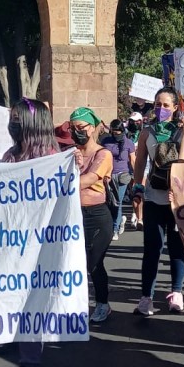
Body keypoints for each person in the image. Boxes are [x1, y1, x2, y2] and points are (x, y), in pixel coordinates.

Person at [2, 98, 60, 367]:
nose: (12, 123)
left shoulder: (53, 158)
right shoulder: (9, 156)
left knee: (30, 303)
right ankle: (19, 340)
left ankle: (29, 365)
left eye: (16, 118)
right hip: (11, 242)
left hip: (40, 245)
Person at [133, 87, 184, 315]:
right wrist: (137, 187)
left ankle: (176, 293)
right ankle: (147, 297)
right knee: (152, 249)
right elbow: (139, 162)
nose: (161, 108)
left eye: (166, 105)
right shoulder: (147, 132)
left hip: (178, 200)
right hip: (154, 198)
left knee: (177, 248)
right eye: (157, 104)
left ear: (175, 107)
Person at [69, 107, 115, 324]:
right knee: (75, 262)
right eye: (72, 128)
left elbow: (89, 179)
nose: (76, 132)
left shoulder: (103, 154)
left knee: (94, 263)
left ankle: (103, 304)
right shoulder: (70, 153)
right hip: (74, 215)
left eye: (80, 127)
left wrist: (54, 185)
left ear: (93, 127)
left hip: (97, 216)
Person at [101, 119, 136, 241]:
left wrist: (136, 177)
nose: (115, 135)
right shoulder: (106, 141)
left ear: (122, 130)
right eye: (113, 133)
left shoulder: (128, 143)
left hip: (122, 176)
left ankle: (114, 229)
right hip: (108, 175)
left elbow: (132, 160)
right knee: (108, 202)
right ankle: (120, 220)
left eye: (118, 133)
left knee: (117, 202)